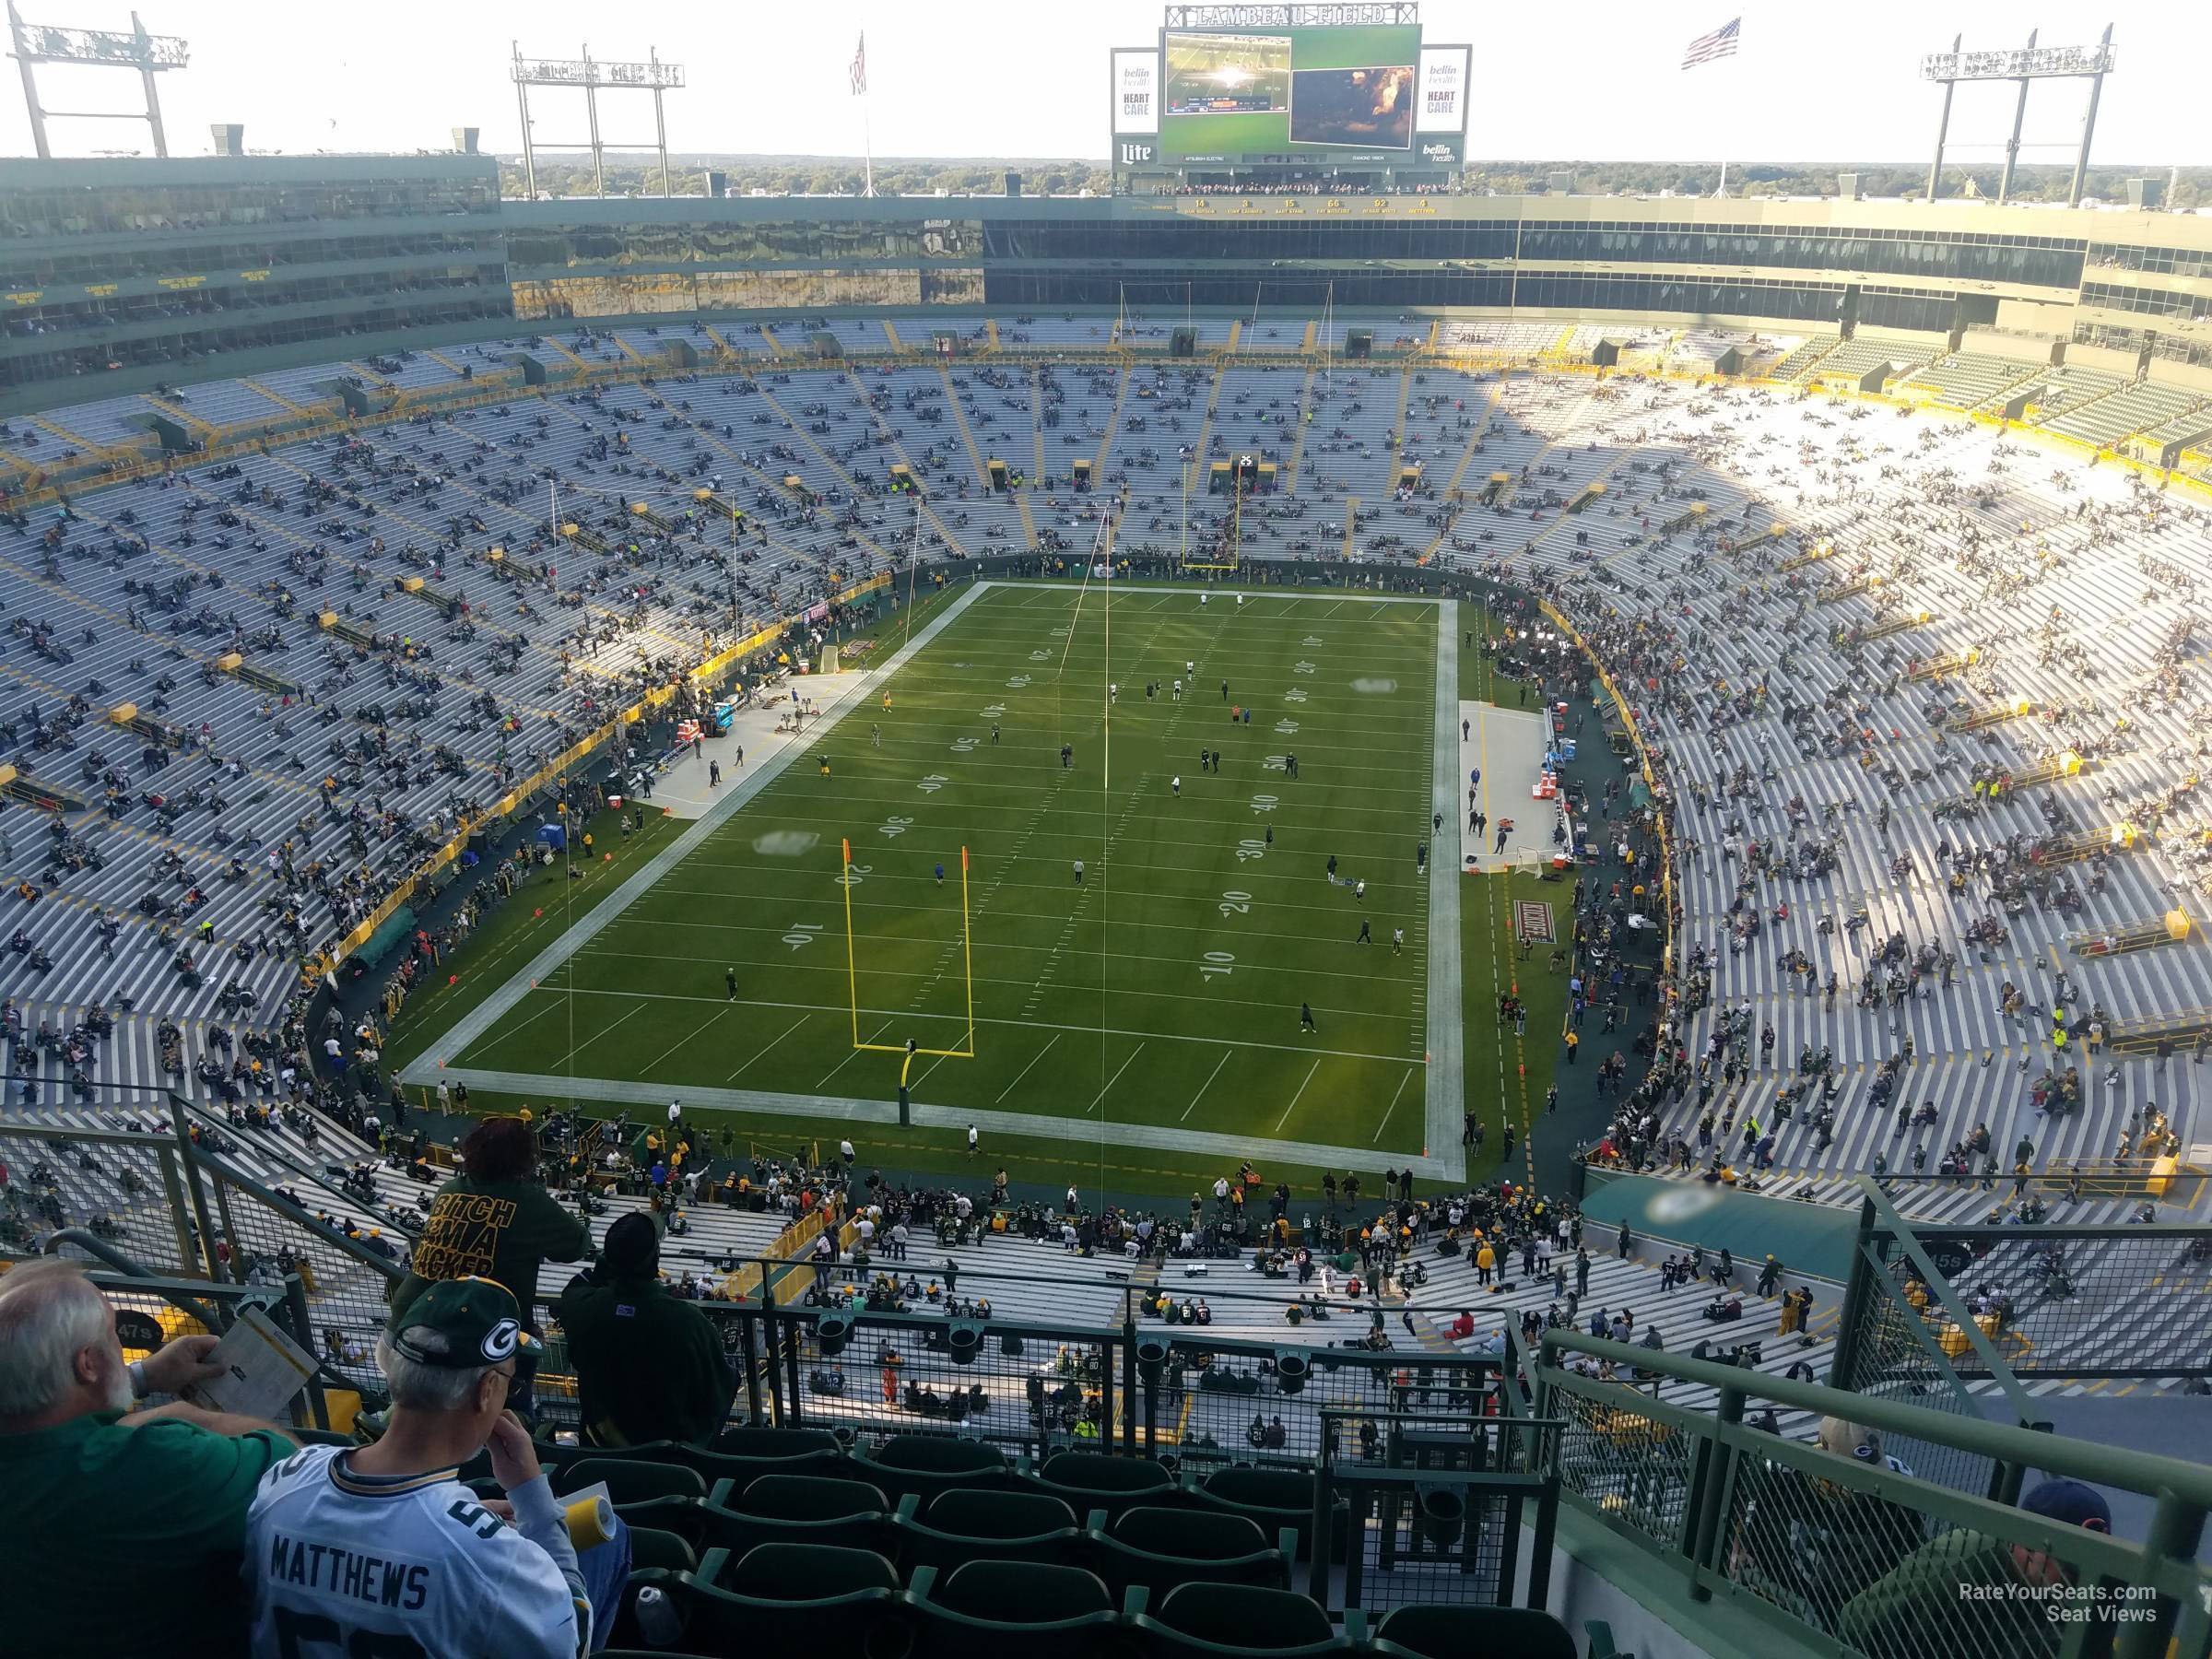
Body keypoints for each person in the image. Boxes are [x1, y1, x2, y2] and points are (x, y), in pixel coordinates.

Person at [244, 1278, 630, 1657]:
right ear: (485, 1392)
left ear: (392, 1369)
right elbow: (573, 1639)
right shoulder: (487, 1556)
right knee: (614, 1537)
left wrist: (457, 1521)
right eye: (510, 1382)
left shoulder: (285, 1479)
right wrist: (531, 1494)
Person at [0, 1259, 296, 1659]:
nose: (120, 1349)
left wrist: (142, 1377)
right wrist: (185, 1415)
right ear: (88, 1363)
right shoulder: (162, 1462)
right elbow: (292, 1467)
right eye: (112, 1337)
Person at [391, 1116, 591, 1414]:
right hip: (472, 1343)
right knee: (511, 1396)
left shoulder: (448, 1189)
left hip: (403, 1330)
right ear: (524, 1160)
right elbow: (577, 1245)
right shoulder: (528, 1199)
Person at [1836, 1477, 2112, 1658]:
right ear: (2027, 1546)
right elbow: (1856, 1621)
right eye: (2071, 1572)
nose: (2078, 1585)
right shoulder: (1962, 1564)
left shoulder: (2079, 1589)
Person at [559, 1214, 735, 1448]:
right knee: (731, 1376)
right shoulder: (688, 1321)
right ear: (655, 1260)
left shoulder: (583, 1307)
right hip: (673, 1456)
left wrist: (607, 1267)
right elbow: (715, 1392)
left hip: (600, 1450)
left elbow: (578, 1286)